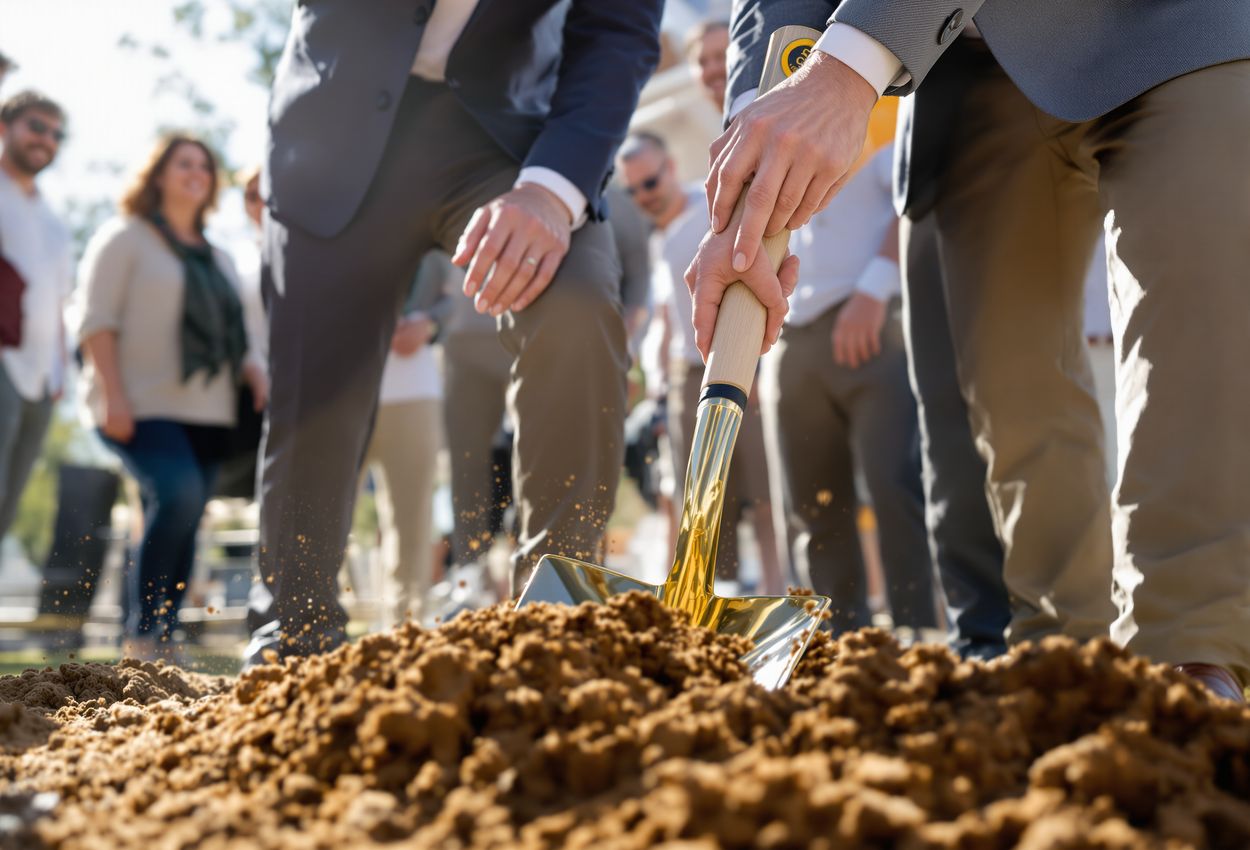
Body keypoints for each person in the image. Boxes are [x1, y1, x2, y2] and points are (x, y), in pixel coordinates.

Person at [691, 0, 1250, 702]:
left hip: (1169, 28)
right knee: (1011, 394)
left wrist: (845, 72)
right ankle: (1062, 667)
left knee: (1195, 346)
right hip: (967, 59)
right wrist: (757, 139)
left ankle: (1190, 662)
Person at [247, 1, 663, 664]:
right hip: (335, 129)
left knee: (577, 307)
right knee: (315, 388)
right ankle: (293, 633)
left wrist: (552, 194)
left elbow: (617, 31)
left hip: (510, 138)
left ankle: (560, 617)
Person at [79, 134, 268, 658]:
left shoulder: (219, 257)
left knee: (187, 514)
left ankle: (164, 637)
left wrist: (256, 372)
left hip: (208, 413)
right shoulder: (126, 238)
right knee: (179, 495)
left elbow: (242, 338)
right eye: (184, 163)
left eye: (205, 166)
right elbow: (95, 320)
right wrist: (112, 395)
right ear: (158, 174)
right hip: (138, 406)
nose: (196, 173)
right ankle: (144, 634)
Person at [768, 141, 939, 633]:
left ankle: (917, 631)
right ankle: (834, 634)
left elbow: (909, 200)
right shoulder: (756, 134)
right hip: (794, 336)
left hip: (870, 327)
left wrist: (874, 289)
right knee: (813, 501)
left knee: (894, 487)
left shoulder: (876, 124)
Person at [618, 131, 784, 595]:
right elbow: (669, 313)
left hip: (740, 363)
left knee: (763, 490)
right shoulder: (655, 237)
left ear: (670, 168)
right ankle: (715, 595)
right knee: (700, 501)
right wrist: (657, 380)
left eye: (649, 183)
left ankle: (774, 589)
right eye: (632, 191)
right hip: (683, 377)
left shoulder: (713, 210)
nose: (643, 197)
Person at [358, 252, 447, 627]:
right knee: (327, 515)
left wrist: (429, 323)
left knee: (411, 524)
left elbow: (459, 297)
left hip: (413, 392)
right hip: (344, 393)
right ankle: (317, 622)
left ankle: (405, 626)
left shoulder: (430, 238)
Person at [0, 91, 72, 544]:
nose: (46, 139)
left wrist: (60, 369)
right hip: (3, 361)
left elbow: (59, 301)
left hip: (42, 377)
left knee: (10, 499)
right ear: (5, 127)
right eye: (36, 127)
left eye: (56, 133)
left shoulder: (53, 220)